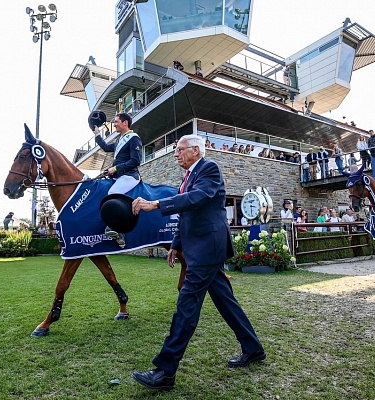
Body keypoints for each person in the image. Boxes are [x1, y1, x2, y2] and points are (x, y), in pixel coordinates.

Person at [130, 134, 265, 391]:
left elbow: (196, 199)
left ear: (195, 150)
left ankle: (165, 371)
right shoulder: (187, 176)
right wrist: (175, 245)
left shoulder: (209, 169)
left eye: (180, 150)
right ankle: (253, 348)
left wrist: (156, 203)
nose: (176, 154)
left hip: (207, 249)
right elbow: (186, 213)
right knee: (226, 302)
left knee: (187, 305)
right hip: (199, 249)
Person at [92, 112, 142, 248]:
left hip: (130, 176)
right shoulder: (120, 140)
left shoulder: (133, 138)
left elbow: (136, 161)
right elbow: (106, 147)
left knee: (113, 192)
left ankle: (119, 231)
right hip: (119, 175)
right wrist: (97, 134)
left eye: (116, 122)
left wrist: (116, 169)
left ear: (125, 123)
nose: (114, 124)